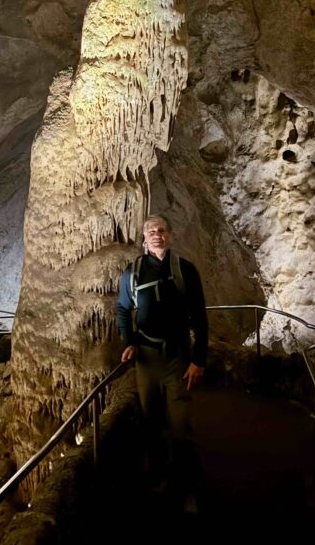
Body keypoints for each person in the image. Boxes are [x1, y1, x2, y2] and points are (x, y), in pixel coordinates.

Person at [116, 214, 208, 501]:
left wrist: (199, 360)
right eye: (151, 231)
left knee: (180, 425)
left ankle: (185, 484)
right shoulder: (133, 273)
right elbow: (122, 310)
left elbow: (200, 317)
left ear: (170, 235)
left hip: (178, 357)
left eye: (162, 230)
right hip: (147, 358)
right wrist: (128, 341)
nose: (157, 235)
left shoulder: (185, 270)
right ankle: (156, 478)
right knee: (151, 421)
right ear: (144, 237)